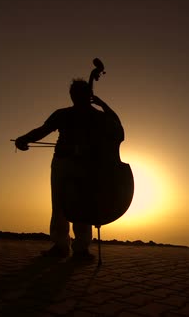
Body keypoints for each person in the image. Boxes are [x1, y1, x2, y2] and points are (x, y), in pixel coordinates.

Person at [15, 79, 124, 259]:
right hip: (64, 162)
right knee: (60, 204)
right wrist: (24, 138)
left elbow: (118, 129)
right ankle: (63, 246)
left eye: (81, 94)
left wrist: (103, 105)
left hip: (85, 165)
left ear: (87, 96)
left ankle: (78, 248)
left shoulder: (96, 116)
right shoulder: (64, 114)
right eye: (75, 94)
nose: (77, 97)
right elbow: (43, 130)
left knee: (81, 204)